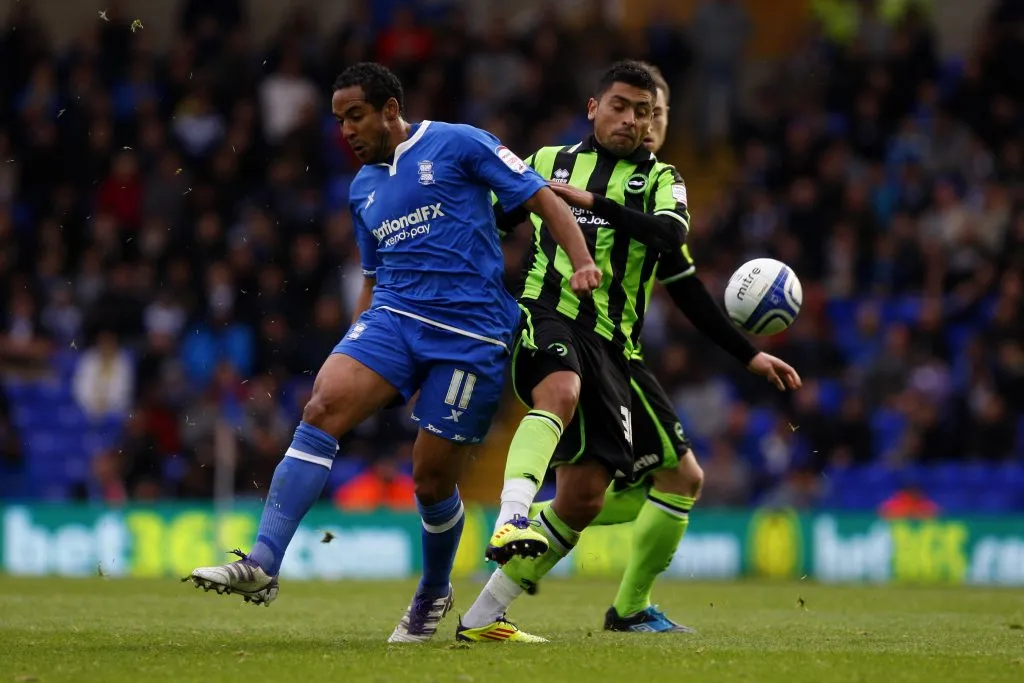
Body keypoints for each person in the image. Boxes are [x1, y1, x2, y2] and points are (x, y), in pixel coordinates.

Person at [187, 63, 601, 645]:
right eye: (338, 122)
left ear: (389, 109)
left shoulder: (458, 143)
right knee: (322, 406)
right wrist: (359, 344)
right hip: (394, 318)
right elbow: (373, 273)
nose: (347, 131)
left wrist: (583, 260)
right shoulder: (362, 189)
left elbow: (544, 201)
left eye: (355, 116)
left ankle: (433, 592)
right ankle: (263, 563)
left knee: (430, 481)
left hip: (472, 334)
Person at [457, 61, 800, 643]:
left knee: (604, 493)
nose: (630, 119)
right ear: (594, 107)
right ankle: (514, 516)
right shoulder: (545, 162)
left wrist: (750, 356)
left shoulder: (662, 181)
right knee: (560, 390)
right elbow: (491, 222)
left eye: (643, 111)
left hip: (618, 352)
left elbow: (674, 250)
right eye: (619, 105)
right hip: (551, 316)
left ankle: (484, 619)